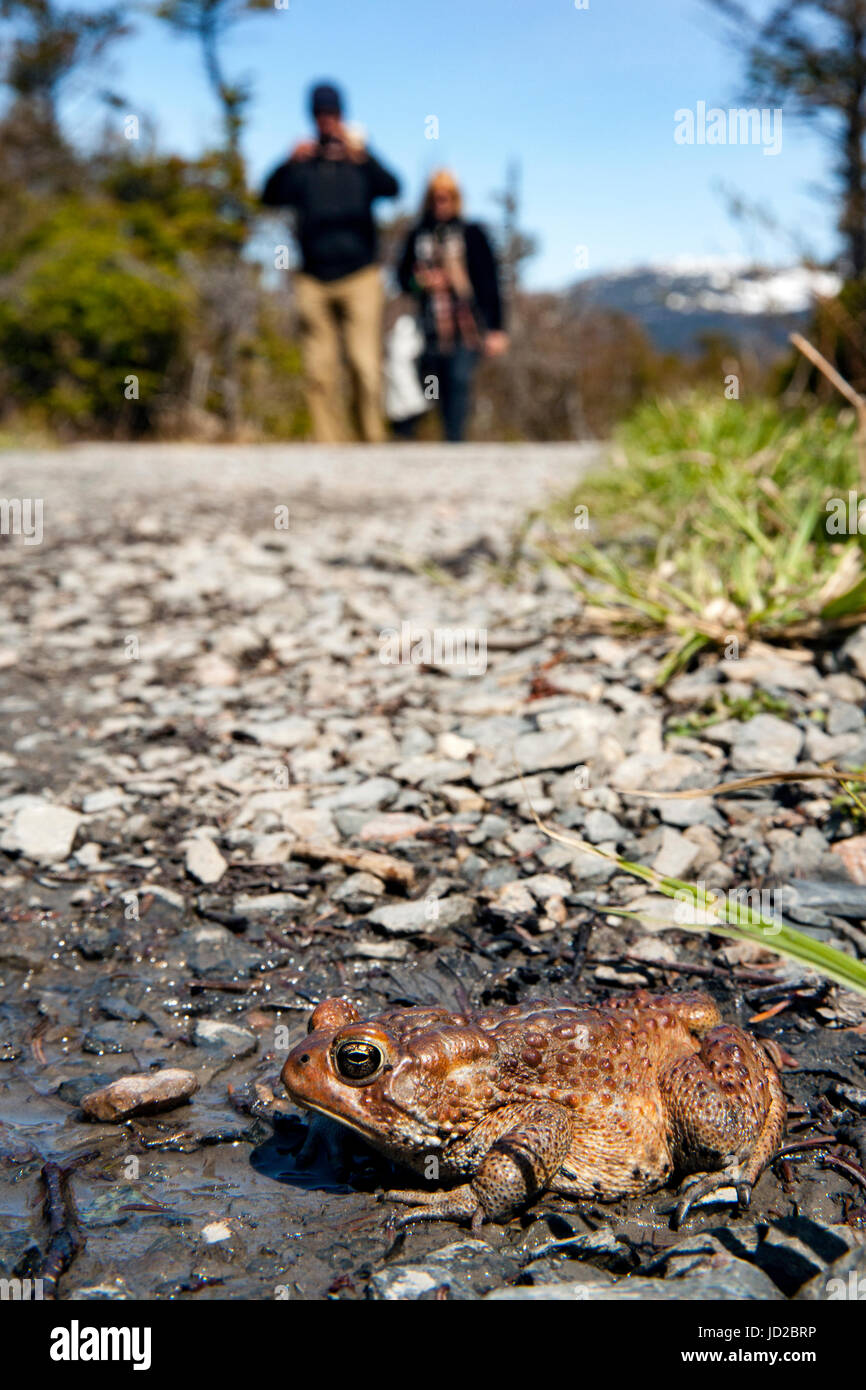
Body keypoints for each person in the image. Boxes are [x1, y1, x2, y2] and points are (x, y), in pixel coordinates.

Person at [261, 82, 400, 443]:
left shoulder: (359, 162)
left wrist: (365, 155)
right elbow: (268, 196)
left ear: (342, 115)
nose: (327, 121)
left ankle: (372, 440)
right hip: (313, 277)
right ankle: (328, 449)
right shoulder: (304, 164)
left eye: (332, 113)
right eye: (321, 114)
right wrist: (288, 160)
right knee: (319, 370)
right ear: (313, 117)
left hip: (361, 276)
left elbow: (393, 188)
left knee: (364, 365)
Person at [395, 170, 508, 442]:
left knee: (458, 379)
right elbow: (402, 280)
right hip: (428, 324)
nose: (440, 203)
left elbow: (491, 283)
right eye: (436, 198)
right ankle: (419, 439)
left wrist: (497, 328)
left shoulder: (472, 234)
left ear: (456, 199)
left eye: (446, 198)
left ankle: (454, 442)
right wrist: (420, 283)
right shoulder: (418, 235)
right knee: (429, 383)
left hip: (465, 324)